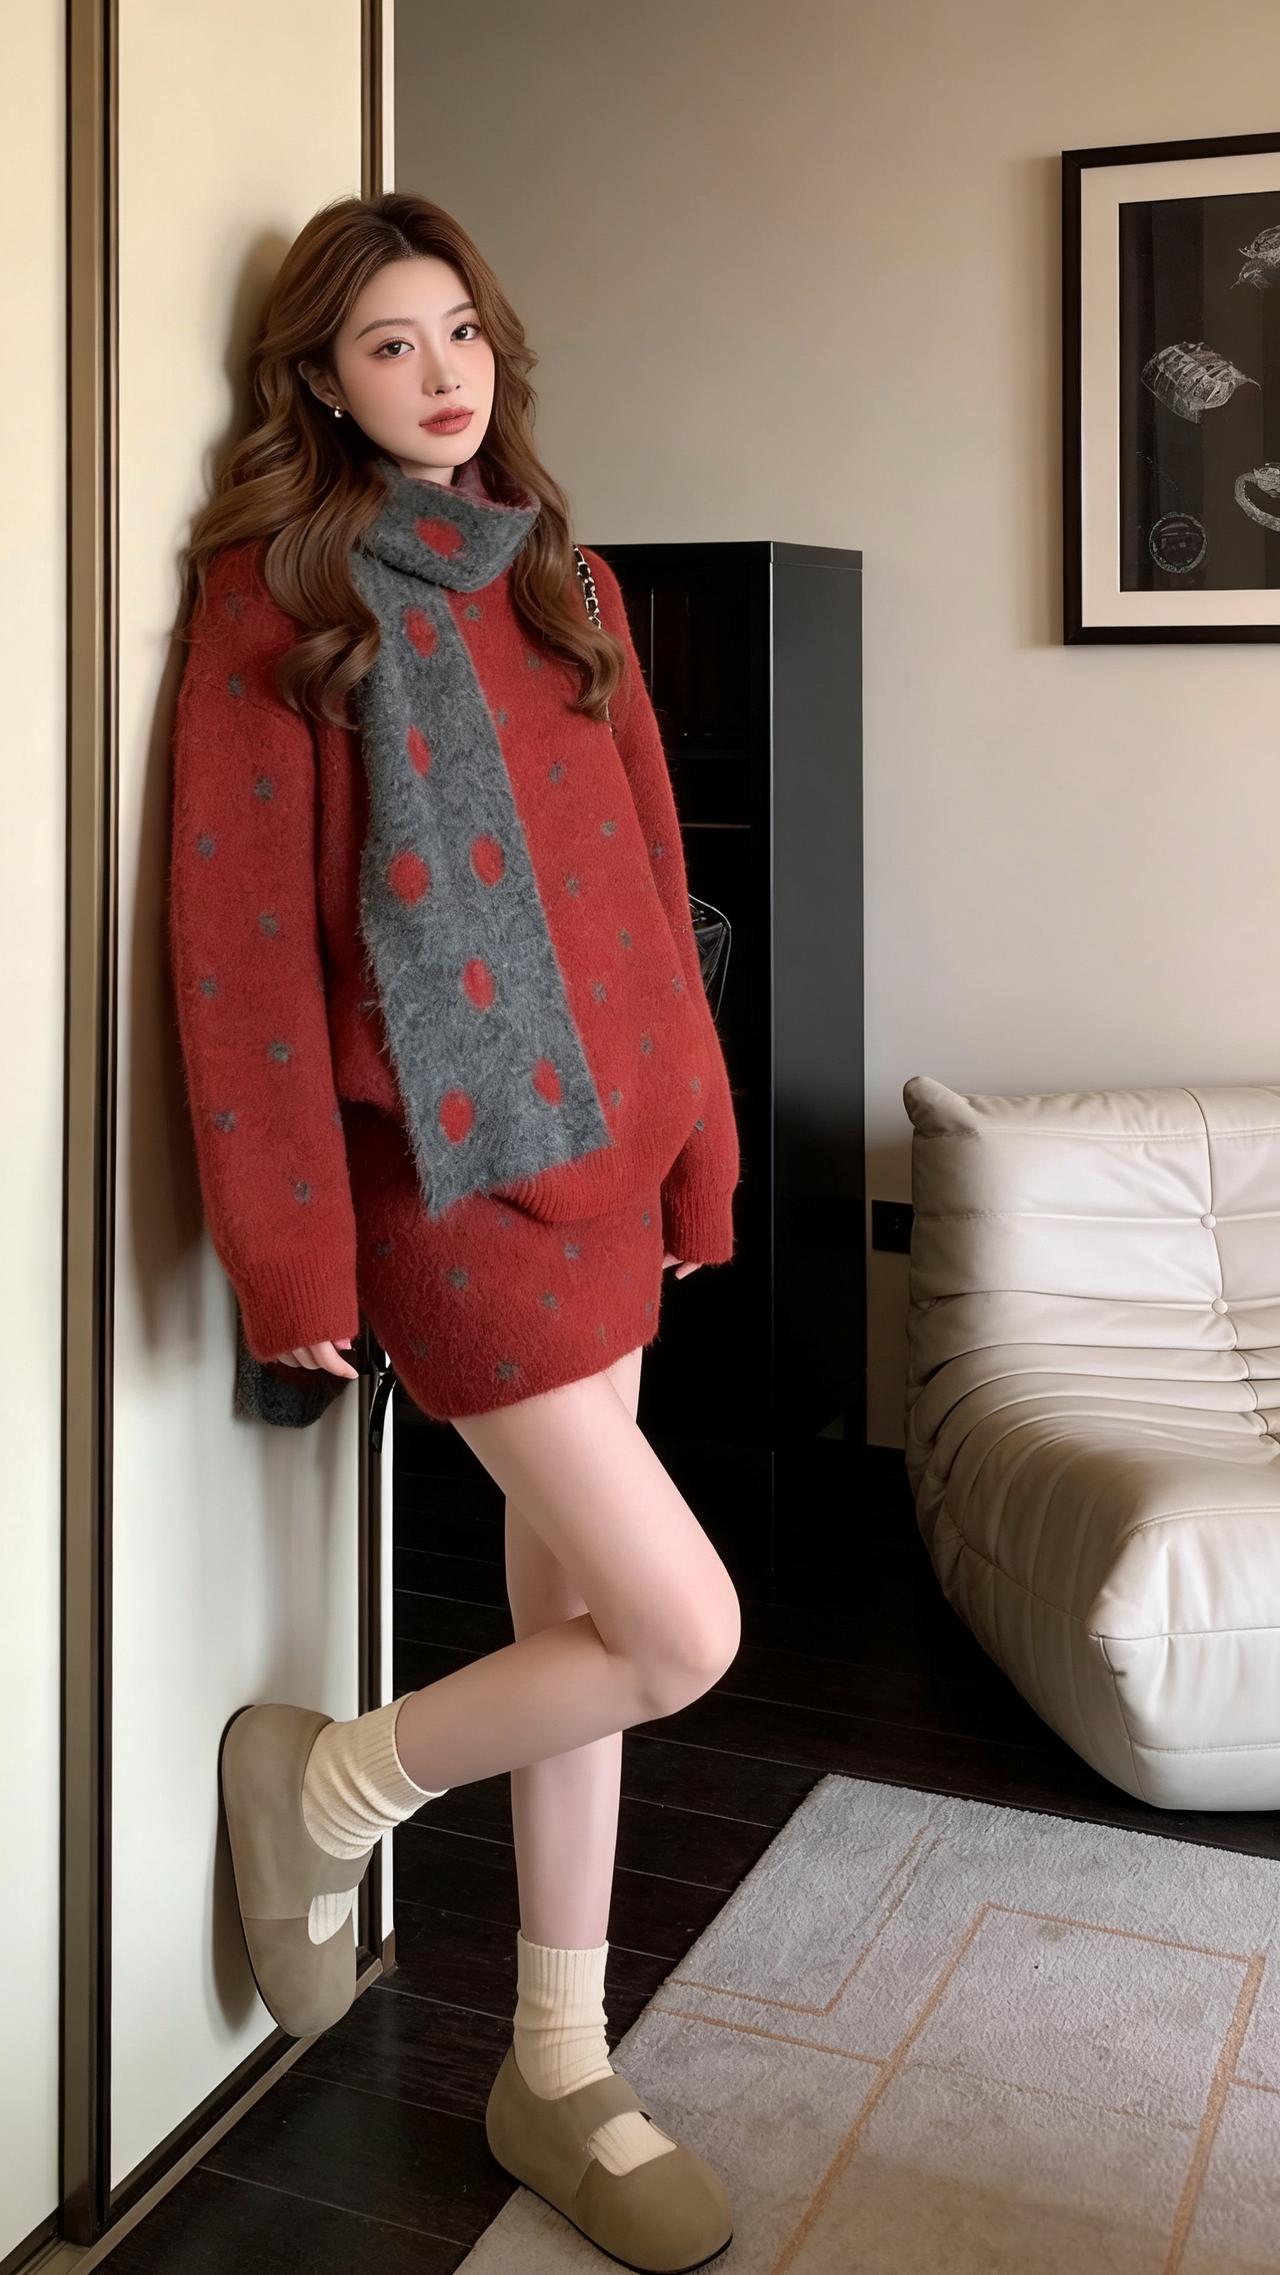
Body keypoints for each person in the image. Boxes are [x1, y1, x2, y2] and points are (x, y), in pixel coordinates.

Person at [168, 191, 742, 2272]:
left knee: (571, 1617)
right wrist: (290, 1252)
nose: (440, 374)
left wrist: (701, 1153)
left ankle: (558, 2066)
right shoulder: (275, 600)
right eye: (389, 344)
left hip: (611, 1150)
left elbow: (655, 879)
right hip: (440, 1182)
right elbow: (237, 954)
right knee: (680, 1632)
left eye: (462, 333)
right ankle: (328, 1786)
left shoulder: (561, 580)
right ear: (321, 383)